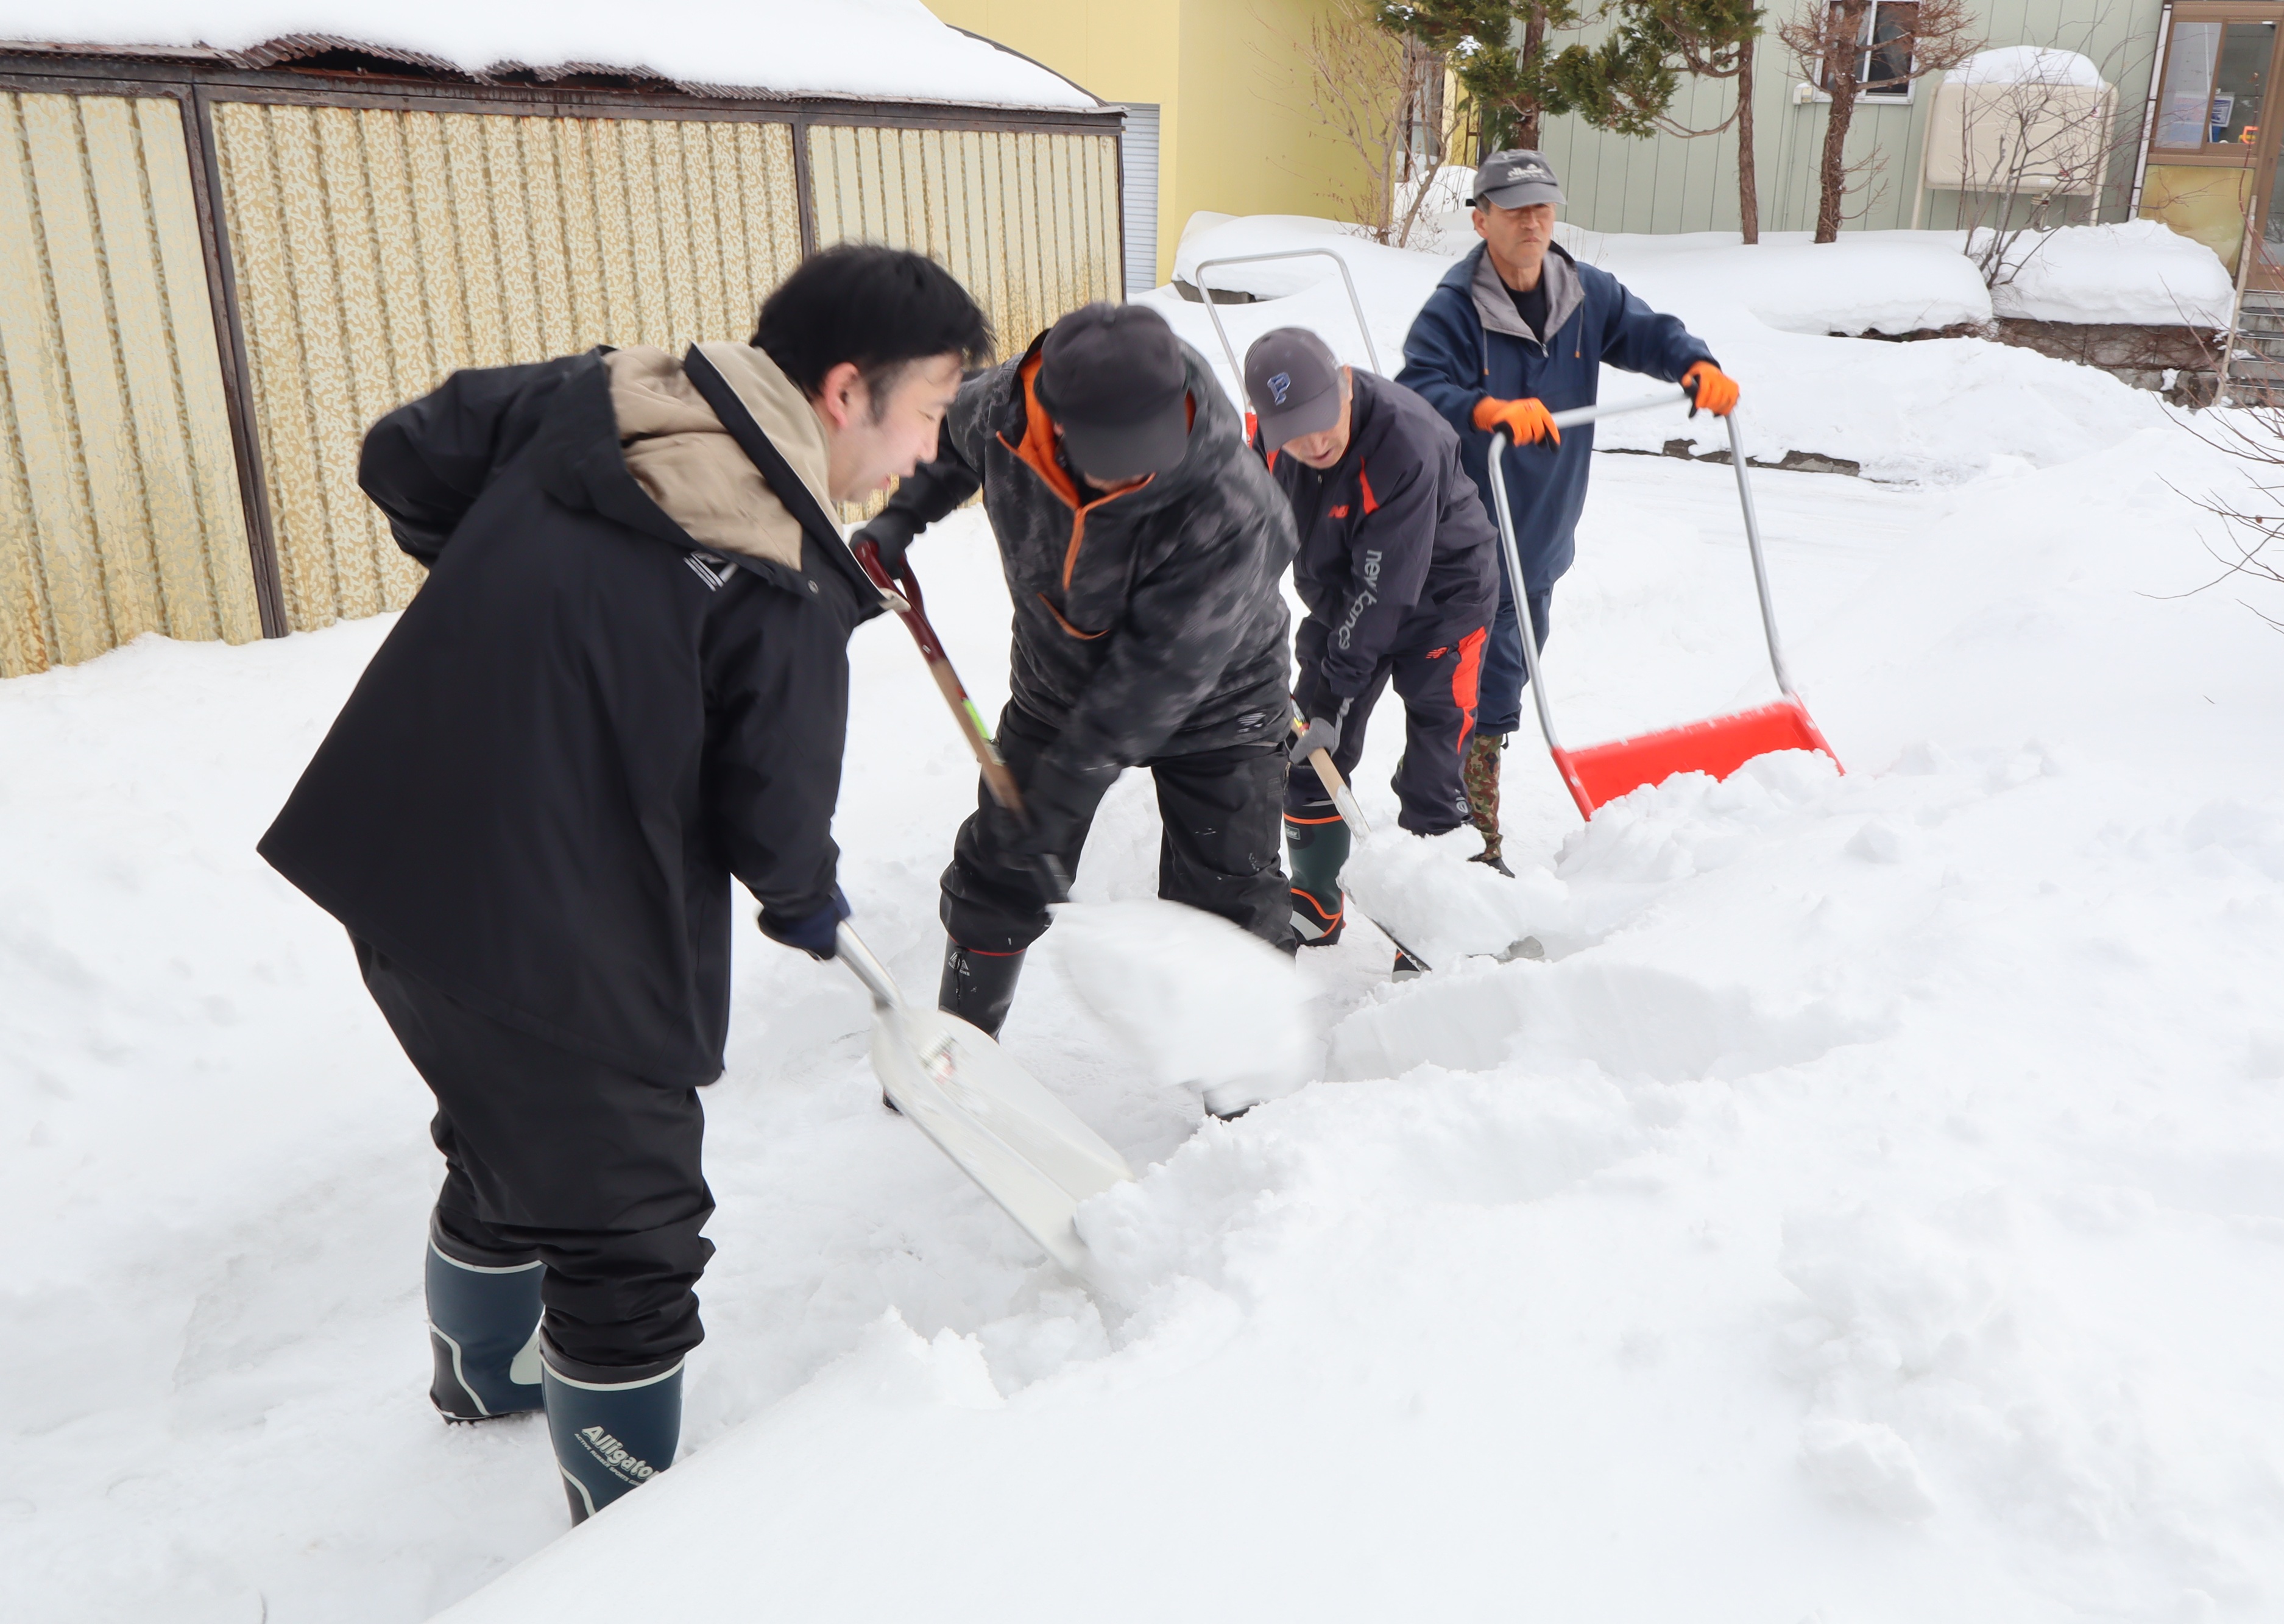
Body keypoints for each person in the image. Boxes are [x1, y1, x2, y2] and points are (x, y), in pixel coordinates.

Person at [256, 246, 989, 1523]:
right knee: (630, 1221)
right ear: (839, 393)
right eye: (927, 412)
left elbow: (405, 453)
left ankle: (485, 1380)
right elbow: (772, 827)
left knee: (510, 1131)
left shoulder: (598, 398)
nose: (927, 454)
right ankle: (628, 1540)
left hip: (390, 862)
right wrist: (810, 902)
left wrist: (519, 595)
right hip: (547, 934)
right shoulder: (782, 576)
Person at [854, 302, 1298, 1042]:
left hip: (1221, 704)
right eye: (1111, 446)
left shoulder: (1230, 503)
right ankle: (962, 1050)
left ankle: (1247, 1106)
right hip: (1057, 684)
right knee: (1001, 863)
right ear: (1052, 417)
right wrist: (902, 518)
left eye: (1148, 442)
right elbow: (945, 443)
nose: (1136, 465)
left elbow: (1159, 673)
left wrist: (1065, 788)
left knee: (1229, 901)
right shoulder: (1003, 408)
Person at [1398, 149, 1742, 872]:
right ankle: (1454, 845)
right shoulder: (1454, 309)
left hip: (1543, 538)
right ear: (1480, 217)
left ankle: (1463, 832)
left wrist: (1695, 364)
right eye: (1515, 207)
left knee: (1504, 685)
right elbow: (1416, 391)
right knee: (1465, 697)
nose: (1532, 220)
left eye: (1542, 206)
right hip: (1463, 544)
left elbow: (1647, 333)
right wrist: (1483, 407)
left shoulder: (1585, 293)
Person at [1243, 327, 1500, 968]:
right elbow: (1242, 533)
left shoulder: (1406, 442)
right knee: (1304, 753)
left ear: (1346, 383)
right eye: (1294, 431)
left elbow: (1385, 587)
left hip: (1444, 600)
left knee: (1434, 772)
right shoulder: (1272, 449)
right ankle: (1315, 899)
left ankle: (1430, 931)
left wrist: (1332, 691)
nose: (1314, 442)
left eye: (1321, 419)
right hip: (1345, 602)